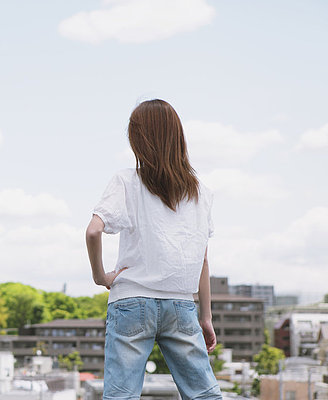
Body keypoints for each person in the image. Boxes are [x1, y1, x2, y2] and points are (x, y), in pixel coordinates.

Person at [85, 99, 223, 399]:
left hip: (131, 301)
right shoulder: (201, 193)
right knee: (204, 395)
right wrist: (206, 317)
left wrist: (100, 277)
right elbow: (203, 260)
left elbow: (94, 230)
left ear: (138, 140)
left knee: (121, 395)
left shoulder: (126, 180)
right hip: (181, 306)